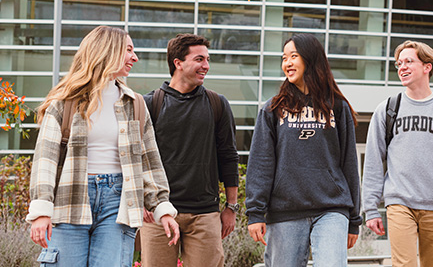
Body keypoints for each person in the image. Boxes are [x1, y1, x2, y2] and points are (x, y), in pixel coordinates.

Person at [27, 26, 180, 267]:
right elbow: (45, 160)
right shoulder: (64, 103)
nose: (135, 57)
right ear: (107, 51)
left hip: (119, 202)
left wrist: (162, 207)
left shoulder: (135, 104)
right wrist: (41, 210)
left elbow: (149, 161)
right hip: (70, 199)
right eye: (128, 50)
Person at [245, 33, 362, 267]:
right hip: (286, 209)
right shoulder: (272, 109)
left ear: (310, 59)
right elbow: (261, 163)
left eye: (294, 56)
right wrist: (255, 212)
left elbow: (349, 162)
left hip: (331, 208)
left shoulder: (337, 106)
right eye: (284, 57)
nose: (287, 63)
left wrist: (354, 220)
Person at [362, 40, 433, 267]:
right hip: (399, 203)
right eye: (398, 64)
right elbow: (374, 162)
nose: (402, 67)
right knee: (404, 264)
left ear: (427, 67)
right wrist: (371, 208)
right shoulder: (387, 109)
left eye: (408, 61)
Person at [139, 34, 239, 267]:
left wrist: (231, 207)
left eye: (207, 59)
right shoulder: (149, 104)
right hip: (158, 213)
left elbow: (228, 156)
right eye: (199, 59)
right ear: (178, 63)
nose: (206, 66)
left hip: (204, 214)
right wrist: (142, 199)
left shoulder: (217, 104)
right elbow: (136, 159)